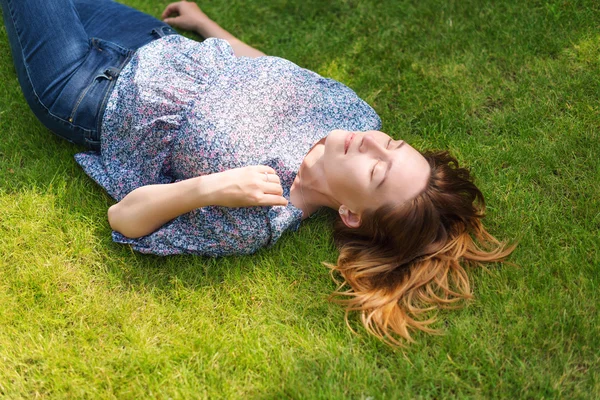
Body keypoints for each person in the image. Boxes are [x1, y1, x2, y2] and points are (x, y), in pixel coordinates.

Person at [1, 0, 514, 344]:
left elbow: (123, 219)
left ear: (352, 213)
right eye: (393, 145)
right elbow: (266, 67)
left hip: (84, 88)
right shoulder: (356, 115)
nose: (373, 145)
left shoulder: (259, 212)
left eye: (378, 172)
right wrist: (205, 26)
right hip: (147, 37)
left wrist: (209, 188)